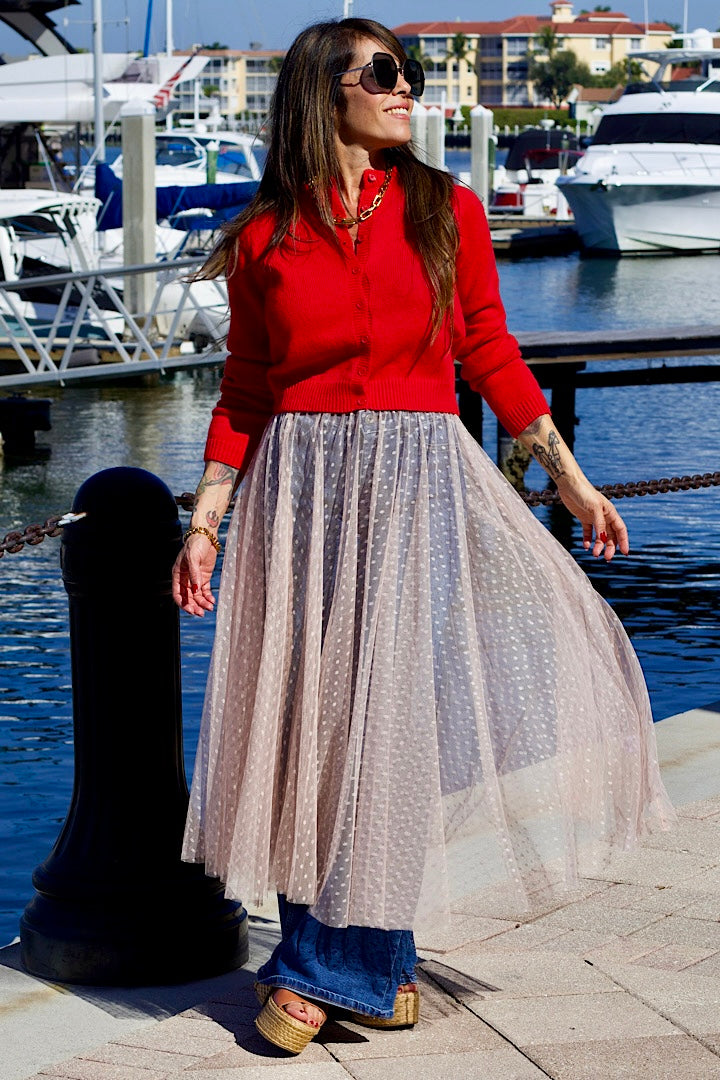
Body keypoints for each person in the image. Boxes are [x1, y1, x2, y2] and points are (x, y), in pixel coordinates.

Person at [172, 17, 674, 1055]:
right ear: (328, 92)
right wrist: (207, 519)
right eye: (389, 74)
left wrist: (572, 481)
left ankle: (325, 966)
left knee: (382, 722)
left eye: (414, 74)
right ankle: (377, 967)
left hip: (410, 479)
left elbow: (487, 344)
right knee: (310, 724)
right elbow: (248, 389)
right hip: (298, 490)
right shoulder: (266, 234)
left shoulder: (444, 210)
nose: (411, 90)